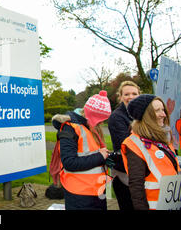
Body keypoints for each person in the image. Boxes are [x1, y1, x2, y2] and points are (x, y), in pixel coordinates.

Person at [53, 90, 111, 210]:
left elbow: (90, 153)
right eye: (100, 119)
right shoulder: (69, 128)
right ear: (92, 114)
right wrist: (100, 156)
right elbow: (70, 163)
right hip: (79, 194)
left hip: (97, 191)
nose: (101, 122)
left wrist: (106, 157)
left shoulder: (91, 127)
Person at [122, 94, 180, 210]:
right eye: (157, 110)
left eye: (163, 110)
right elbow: (136, 186)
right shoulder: (134, 143)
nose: (163, 114)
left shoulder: (163, 138)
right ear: (146, 116)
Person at [107, 81, 140, 210]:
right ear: (120, 97)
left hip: (139, 171)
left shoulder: (141, 114)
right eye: (126, 94)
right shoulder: (116, 117)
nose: (130, 97)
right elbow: (127, 145)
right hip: (123, 173)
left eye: (134, 94)